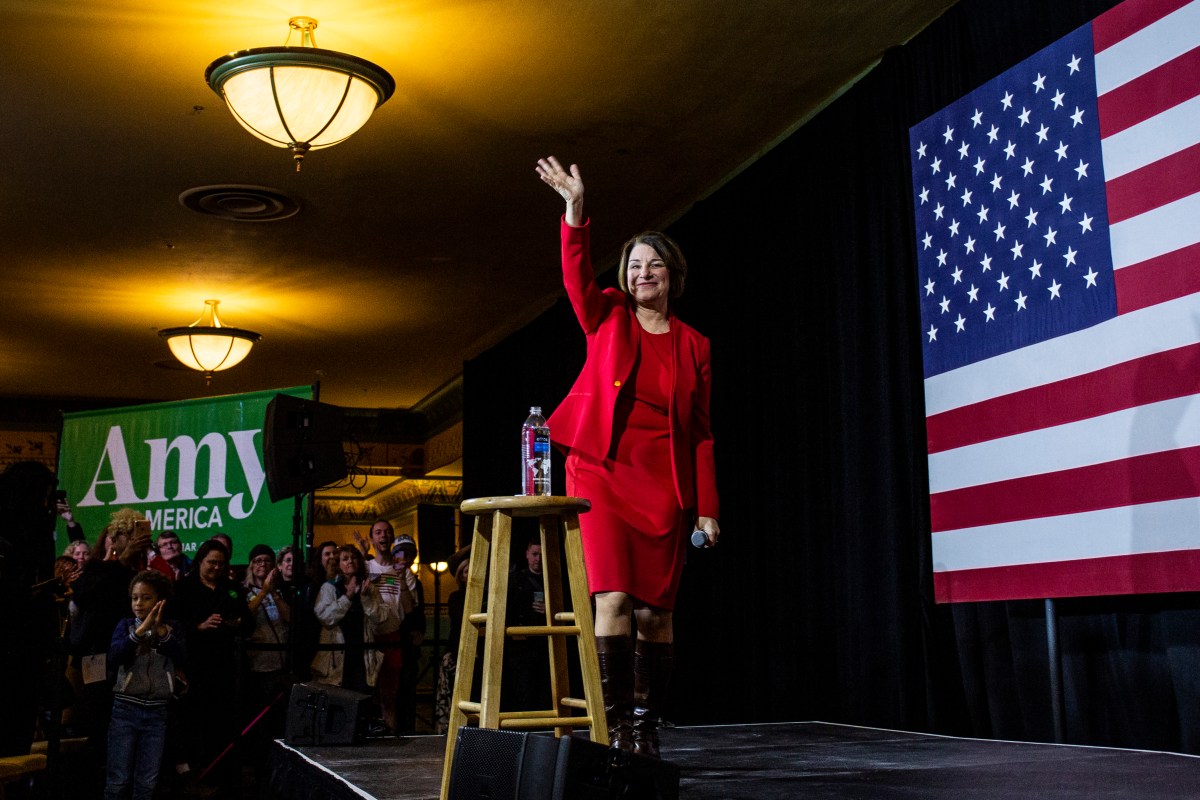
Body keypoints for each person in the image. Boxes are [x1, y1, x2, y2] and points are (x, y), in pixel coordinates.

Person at [536, 156, 721, 758]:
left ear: (672, 276)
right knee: (612, 598)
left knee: (654, 616)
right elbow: (574, 280)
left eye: (653, 265)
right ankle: (613, 726)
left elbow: (700, 432)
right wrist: (575, 212)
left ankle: (645, 725)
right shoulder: (608, 313)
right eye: (634, 264)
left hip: (662, 489)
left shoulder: (696, 345)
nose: (642, 273)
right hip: (602, 473)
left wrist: (707, 509)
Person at [168, 539, 252, 787]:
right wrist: (199, 626)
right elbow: (172, 626)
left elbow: (248, 622)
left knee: (222, 723)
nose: (216, 567)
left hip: (225, 667)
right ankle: (191, 776)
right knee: (192, 722)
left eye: (220, 563)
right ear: (200, 561)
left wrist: (236, 624)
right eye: (211, 562)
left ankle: (221, 774)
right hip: (193, 666)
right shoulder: (182, 588)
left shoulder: (231, 588)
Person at [105, 570, 185, 800]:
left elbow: (181, 655)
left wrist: (160, 630)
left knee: (147, 782)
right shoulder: (126, 625)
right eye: (134, 597)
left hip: (157, 711)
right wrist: (140, 631)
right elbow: (115, 656)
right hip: (125, 709)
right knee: (118, 780)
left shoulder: (172, 627)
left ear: (160, 600)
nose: (138, 603)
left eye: (146, 597)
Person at [0, 461, 60, 757]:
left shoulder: (36, 533)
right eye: (44, 497)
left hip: (27, 648)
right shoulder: (9, 537)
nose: (48, 506)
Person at [311, 545, 397, 695]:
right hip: (336, 657)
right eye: (345, 559)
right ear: (338, 564)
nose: (350, 561)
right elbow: (325, 618)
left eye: (354, 558)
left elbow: (380, 618)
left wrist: (366, 600)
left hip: (362, 657)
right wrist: (348, 597)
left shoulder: (369, 588)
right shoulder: (329, 588)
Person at [355, 520, 413, 733]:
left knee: (389, 696)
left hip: (392, 637)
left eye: (387, 532)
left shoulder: (401, 567)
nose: (383, 536)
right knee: (368, 695)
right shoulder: (366, 567)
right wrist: (361, 554)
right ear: (372, 539)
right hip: (369, 638)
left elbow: (408, 610)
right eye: (378, 532)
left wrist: (403, 580)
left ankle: (390, 740)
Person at [504, 537, 550, 711]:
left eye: (541, 554)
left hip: (545, 643)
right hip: (521, 645)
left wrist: (551, 610)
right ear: (527, 555)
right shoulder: (516, 581)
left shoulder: (554, 581)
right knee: (523, 688)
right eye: (534, 554)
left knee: (544, 688)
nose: (538, 558)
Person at [391, 534, 425, 733]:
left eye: (409, 554)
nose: (405, 557)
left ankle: (407, 730)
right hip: (390, 637)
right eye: (401, 552)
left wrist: (419, 630)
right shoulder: (388, 574)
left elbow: (417, 611)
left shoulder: (415, 582)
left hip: (408, 645)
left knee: (407, 689)